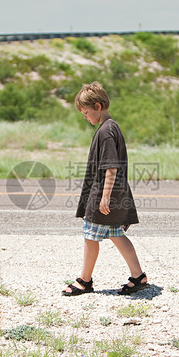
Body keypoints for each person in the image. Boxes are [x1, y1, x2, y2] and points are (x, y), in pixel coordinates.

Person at [62, 81, 149, 296]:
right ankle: (138, 276)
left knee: (91, 235)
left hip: (103, 193)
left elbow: (111, 167)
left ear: (98, 106)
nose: (85, 116)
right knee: (116, 234)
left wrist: (105, 197)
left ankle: (85, 280)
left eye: (86, 112)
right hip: (111, 193)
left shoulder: (106, 131)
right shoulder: (111, 127)